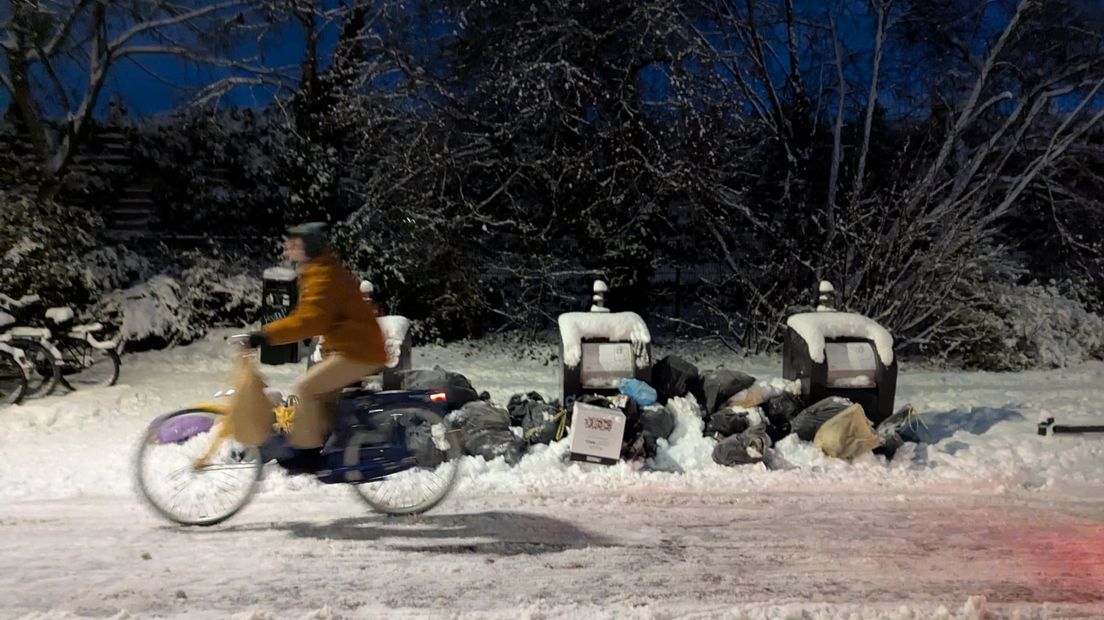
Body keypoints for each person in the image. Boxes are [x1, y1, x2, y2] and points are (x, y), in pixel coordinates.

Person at [247, 223, 387, 473]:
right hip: (349, 348)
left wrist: (267, 334)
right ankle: (330, 452)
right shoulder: (316, 271)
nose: (287, 251)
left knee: (305, 387)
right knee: (321, 399)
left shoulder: (324, 275)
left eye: (294, 246)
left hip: (359, 351)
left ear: (309, 248)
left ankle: (307, 455)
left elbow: (310, 320)